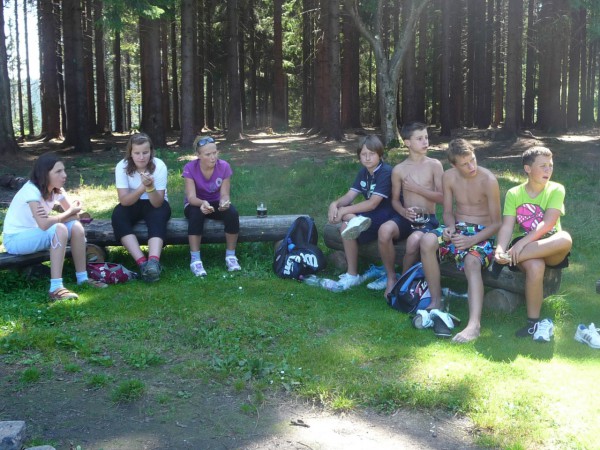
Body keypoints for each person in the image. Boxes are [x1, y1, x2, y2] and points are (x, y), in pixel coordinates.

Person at [419, 139, 501, 342]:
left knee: (472, 261)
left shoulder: (488, 180)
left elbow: (496, 224)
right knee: (427, 241)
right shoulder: (448, 177)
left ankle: (474, 325)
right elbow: (447, 212)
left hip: (481, 233)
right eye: (465, 164)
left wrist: (471, 240)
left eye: (473, 160)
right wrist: (449, 228)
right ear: (453, 165)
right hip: (458, 228)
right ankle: (436, 301)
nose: (471, 166)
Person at [2, 153, 107, 300]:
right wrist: (67, 214)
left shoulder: (56, 190)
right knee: (59, 229)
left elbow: (76, 216)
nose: (64, 175)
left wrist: (70, 213)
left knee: (76, 227)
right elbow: (45, 224)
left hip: (36, 234)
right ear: (45, 174)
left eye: (63, 170)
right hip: (15, 240)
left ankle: (82, 278)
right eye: (58, 171)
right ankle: (56, 287)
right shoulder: (31, 191)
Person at [493, 146, 572, 342]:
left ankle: (508, 258)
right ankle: (532, 324)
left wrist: (520, 246)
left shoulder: (556, 189)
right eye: (542, 166)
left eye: (550, 165)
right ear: (528, 169)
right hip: (523, 245)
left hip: (548, 243)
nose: (548, 170)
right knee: (535, 266)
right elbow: (507, 226)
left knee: (565, 238)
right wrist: (500, 248)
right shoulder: (514, 193)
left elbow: (548, 224)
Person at [373, 122, 444, 298]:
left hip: (427, 218)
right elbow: (395, 201)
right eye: (419, 138)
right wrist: (404, 212)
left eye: (426, 137)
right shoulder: (399, 169)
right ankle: (391, 277)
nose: (425, 141)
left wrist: (416, 188)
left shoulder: (434, 165)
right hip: (406, 217)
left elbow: (442, 197)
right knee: (384, 230)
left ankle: (403, 282)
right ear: (407, 143)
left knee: (413, 242)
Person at [328, 135, 395, 290]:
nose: (367, 158)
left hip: (389, 215)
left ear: (380, 154)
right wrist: (335, 204)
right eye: (364, 154)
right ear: (359, 157)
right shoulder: (363, 172)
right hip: (372, 216)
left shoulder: (386, 172)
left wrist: (344, 210)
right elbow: (350, 196)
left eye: (372, 154)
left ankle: (354, 220)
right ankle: (352, 275)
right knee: (345, 226)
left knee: (345, 219)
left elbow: (373, 204)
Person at [111, 133, 171, 282]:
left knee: (158, 216)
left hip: (154, 201)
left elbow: (158, 203)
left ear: (151, 151)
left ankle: (153, 262)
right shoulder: (122, 166)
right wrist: (141, 188)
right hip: (133, 201)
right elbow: (124, 201)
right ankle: (142, 263)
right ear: (130, 153)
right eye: (137, 153)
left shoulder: (159, 166)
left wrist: (150, 187)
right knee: (118, 215)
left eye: (145, 152)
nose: (141, 157)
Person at [183, 136, 241, 276]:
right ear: (198, 155)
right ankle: (195, 260)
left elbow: (225, 194)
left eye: (215, 153)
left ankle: (231, 256)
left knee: (232, 213)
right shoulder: (190, 168)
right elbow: (191, 198)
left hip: (215, 203)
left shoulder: (224, 166)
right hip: (195, 203)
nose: (213, 157)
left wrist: (224, 202)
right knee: (196, 214)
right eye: (208, 154)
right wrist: (202, 203)